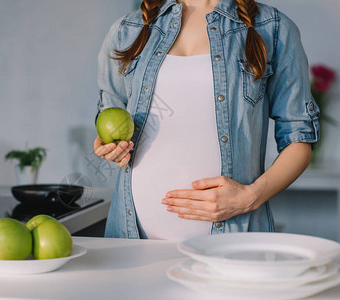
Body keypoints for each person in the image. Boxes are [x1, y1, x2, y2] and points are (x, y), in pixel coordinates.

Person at [93, 0, 319, 240]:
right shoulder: (127, 30)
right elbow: (111, 117)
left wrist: (249, 198)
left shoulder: (272, 27)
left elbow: (299, 139)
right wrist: (110, 148)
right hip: (132, 238)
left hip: (231, 243)